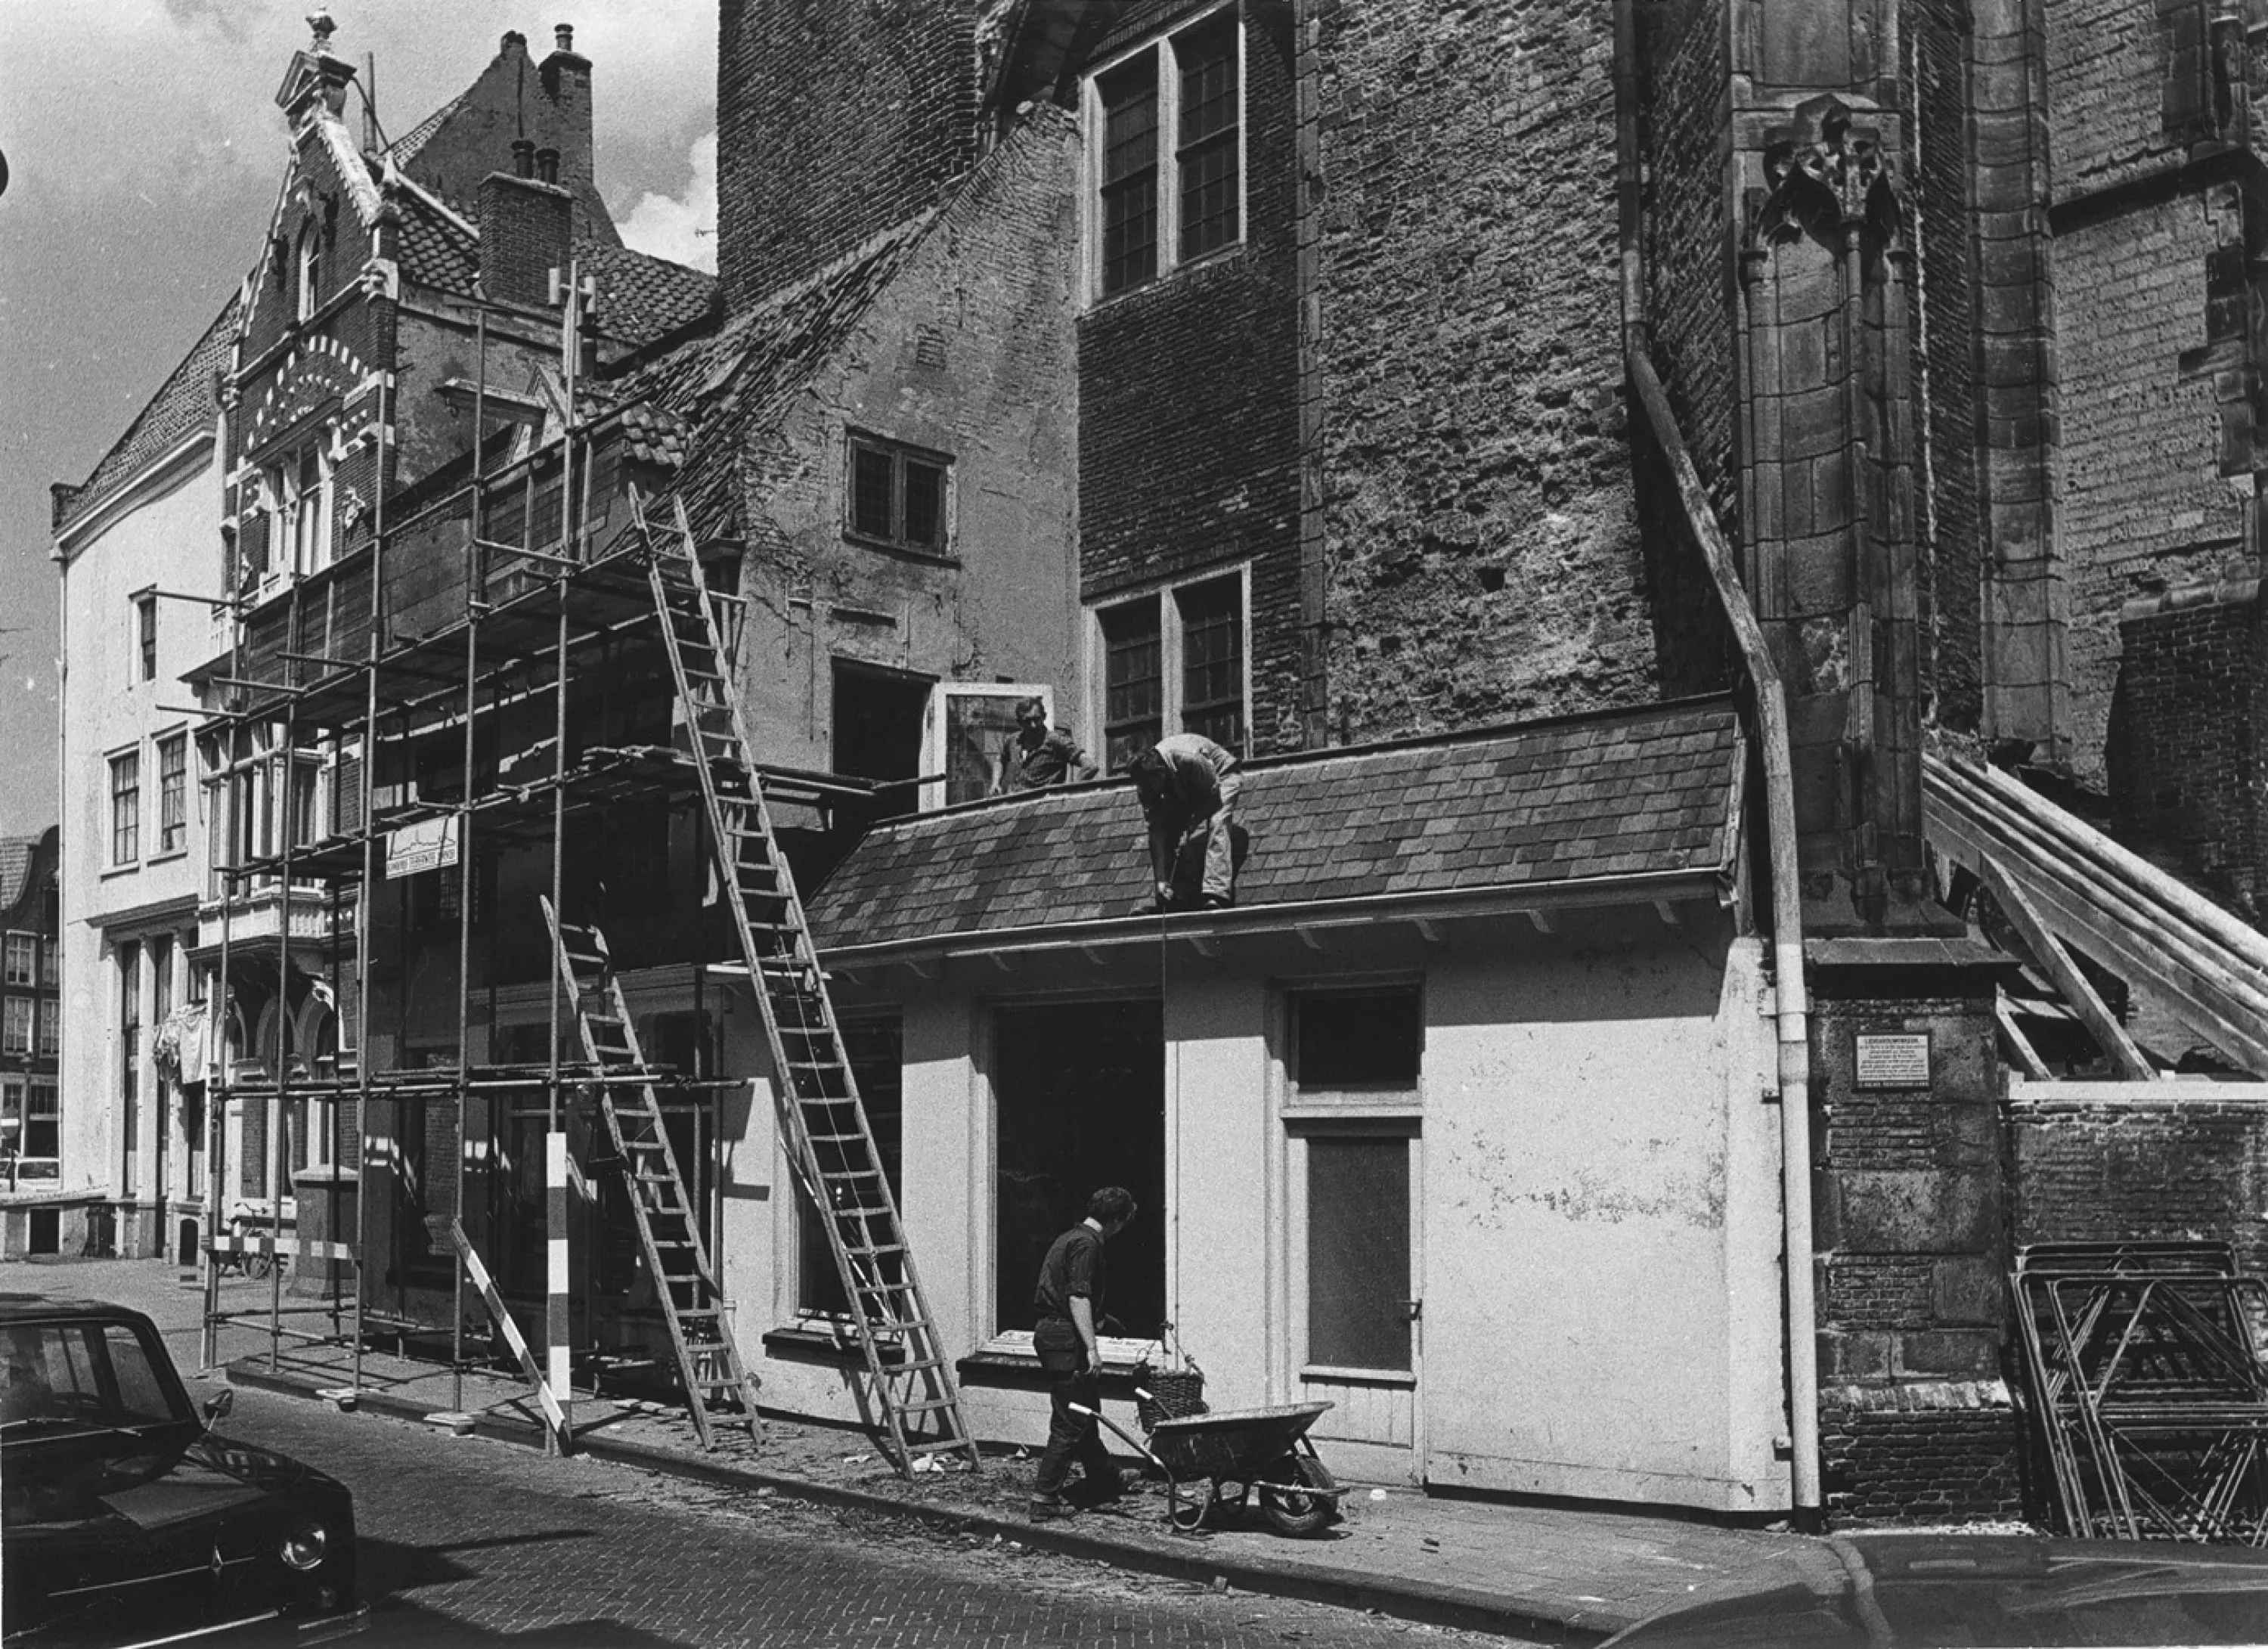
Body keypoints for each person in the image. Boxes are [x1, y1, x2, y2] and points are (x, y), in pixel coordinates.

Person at [1028, 1186, 1136, 1521]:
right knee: (1070, 1422)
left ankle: (1104, 1479)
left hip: (1056, 1333)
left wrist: (1102, 1321)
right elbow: (1077, 1297)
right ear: (1116, 1220)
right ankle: (1044, 1499)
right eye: (1124, 1222)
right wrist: (1092, 1347)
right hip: (1065, 1340)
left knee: (1086, 1413)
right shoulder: (1088, 1245)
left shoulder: (1070, 1238)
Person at [1128, 732, 1242, 910]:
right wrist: (1161, 881)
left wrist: (1191, 825)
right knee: (1169, 830)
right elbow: (1156, 831)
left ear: (1161, 771)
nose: (1152, 791)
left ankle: (1217, 892)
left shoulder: (1189, 759)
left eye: (1153, 784)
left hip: (1221, 776)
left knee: (1217, 821)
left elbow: (1213, 797)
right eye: (1146, 787)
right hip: (1185, 785)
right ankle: (1173, 895)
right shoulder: (1147, 786)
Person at [992, 697, 1097, 795]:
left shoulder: (1056, 741)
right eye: (1027, 721)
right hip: (1017, 804)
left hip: (1046, 805)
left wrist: (1070, 792)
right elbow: (1000, 760)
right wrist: (996, 783)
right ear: (1019, 722)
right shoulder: (1013, 741)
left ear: (1044, 717)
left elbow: (1090, 766)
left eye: (1037, 719)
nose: (1033, 725)